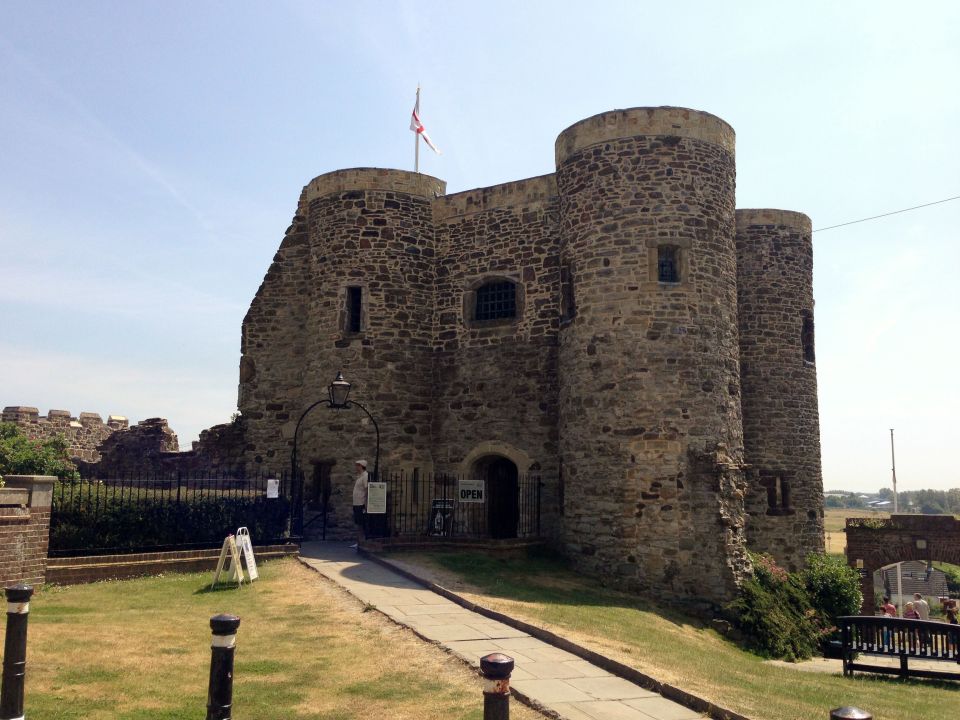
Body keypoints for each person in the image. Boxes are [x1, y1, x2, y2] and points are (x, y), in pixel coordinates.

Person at [350, 459, 368, 549]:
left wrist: (365, 503)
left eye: (357, 465)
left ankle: (361, 542)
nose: (356, 467)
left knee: (361, 523)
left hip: (361, 503)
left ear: (361, 466)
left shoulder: (365, 476)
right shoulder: (359, 476)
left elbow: (366, 489)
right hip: (356, 503)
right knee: (358, 523)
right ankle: (358, 542)